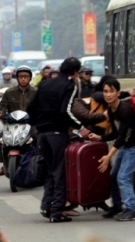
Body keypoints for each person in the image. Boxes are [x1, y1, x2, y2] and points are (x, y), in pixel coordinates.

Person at [27, 57, 91, 223]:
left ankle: (47, 207)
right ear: (75, 72)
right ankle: (57, 212)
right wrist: (81, 127)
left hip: (42, 135)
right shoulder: (68, 86)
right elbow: (65, 111)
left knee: (50, 171)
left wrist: (37, 124)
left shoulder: (45, 83)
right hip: (57, 134)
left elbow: (30, 107)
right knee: (60, 173)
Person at [89, 77, 135, 221]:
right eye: (105, 91)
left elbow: (121, 137)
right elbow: (115, 133)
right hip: (126, 146)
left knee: (123, 177)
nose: (108, 94)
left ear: (118, 93)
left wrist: (108, 156)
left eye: (111, 91)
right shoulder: (111, 109)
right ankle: (117, 206)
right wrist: (100, 137)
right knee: (114, 176)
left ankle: (132, 210)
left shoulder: (125, 110)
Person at [0, 65, 37, 176]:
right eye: (20, 76)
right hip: (13, 124)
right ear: (17, 78)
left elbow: (41, 106)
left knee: (37, 138)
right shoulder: (9, 92)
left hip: (30, 124)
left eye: (26, 76)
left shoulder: (36, 92)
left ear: (30, 78)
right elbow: (2, 106)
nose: (23, 79)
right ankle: (4, 164)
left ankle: (39, 163)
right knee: (0, 138)